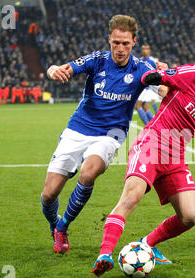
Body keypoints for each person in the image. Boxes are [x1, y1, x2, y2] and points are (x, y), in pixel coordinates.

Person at [91, 45, 195, 277]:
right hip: (151, 144)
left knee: (190, 216)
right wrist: (154, 77)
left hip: (175, 158)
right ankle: (104, 254)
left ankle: (147, 244)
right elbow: (158, 77)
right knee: (131, 197)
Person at [41, 15, 167, 254]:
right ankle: (54, 224)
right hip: (78, 129)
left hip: (110, 134)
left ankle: (63, 227)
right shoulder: (97, 60)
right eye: (116, 43)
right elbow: (62, 68)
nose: (120, 49)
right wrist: (53, 70)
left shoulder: (142, 68)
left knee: (89, 172)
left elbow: (162, 87)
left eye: (126, 44)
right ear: (109, 39)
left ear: (134, 42)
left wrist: (166, 80)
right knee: (49, 194)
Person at [135, 44, 161, 125]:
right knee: (145, 107)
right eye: (143, 49)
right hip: (141, 87)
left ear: (149, 50)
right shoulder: (139, 61)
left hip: (147, 88)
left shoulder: (153, 61)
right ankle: (154, 125)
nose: (144, 51)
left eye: (146, 49)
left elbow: (158, 73)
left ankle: (147, 126)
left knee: (137, 106)